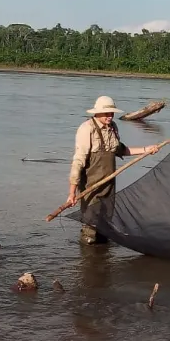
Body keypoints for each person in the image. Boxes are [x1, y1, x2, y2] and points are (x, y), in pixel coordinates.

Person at [65, 96, 159, 244]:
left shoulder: (113, 127)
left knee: (105, 224)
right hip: (91, 186)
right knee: (91, 225)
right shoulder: (87, 129)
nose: (110, 116)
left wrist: (146, 149)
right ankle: (88, 261)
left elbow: (121, 150)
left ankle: (102, 255)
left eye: (112, 113)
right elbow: (78, 162)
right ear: (97, 113)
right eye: (106, 113)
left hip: (109, 185)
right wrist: (72, 192)